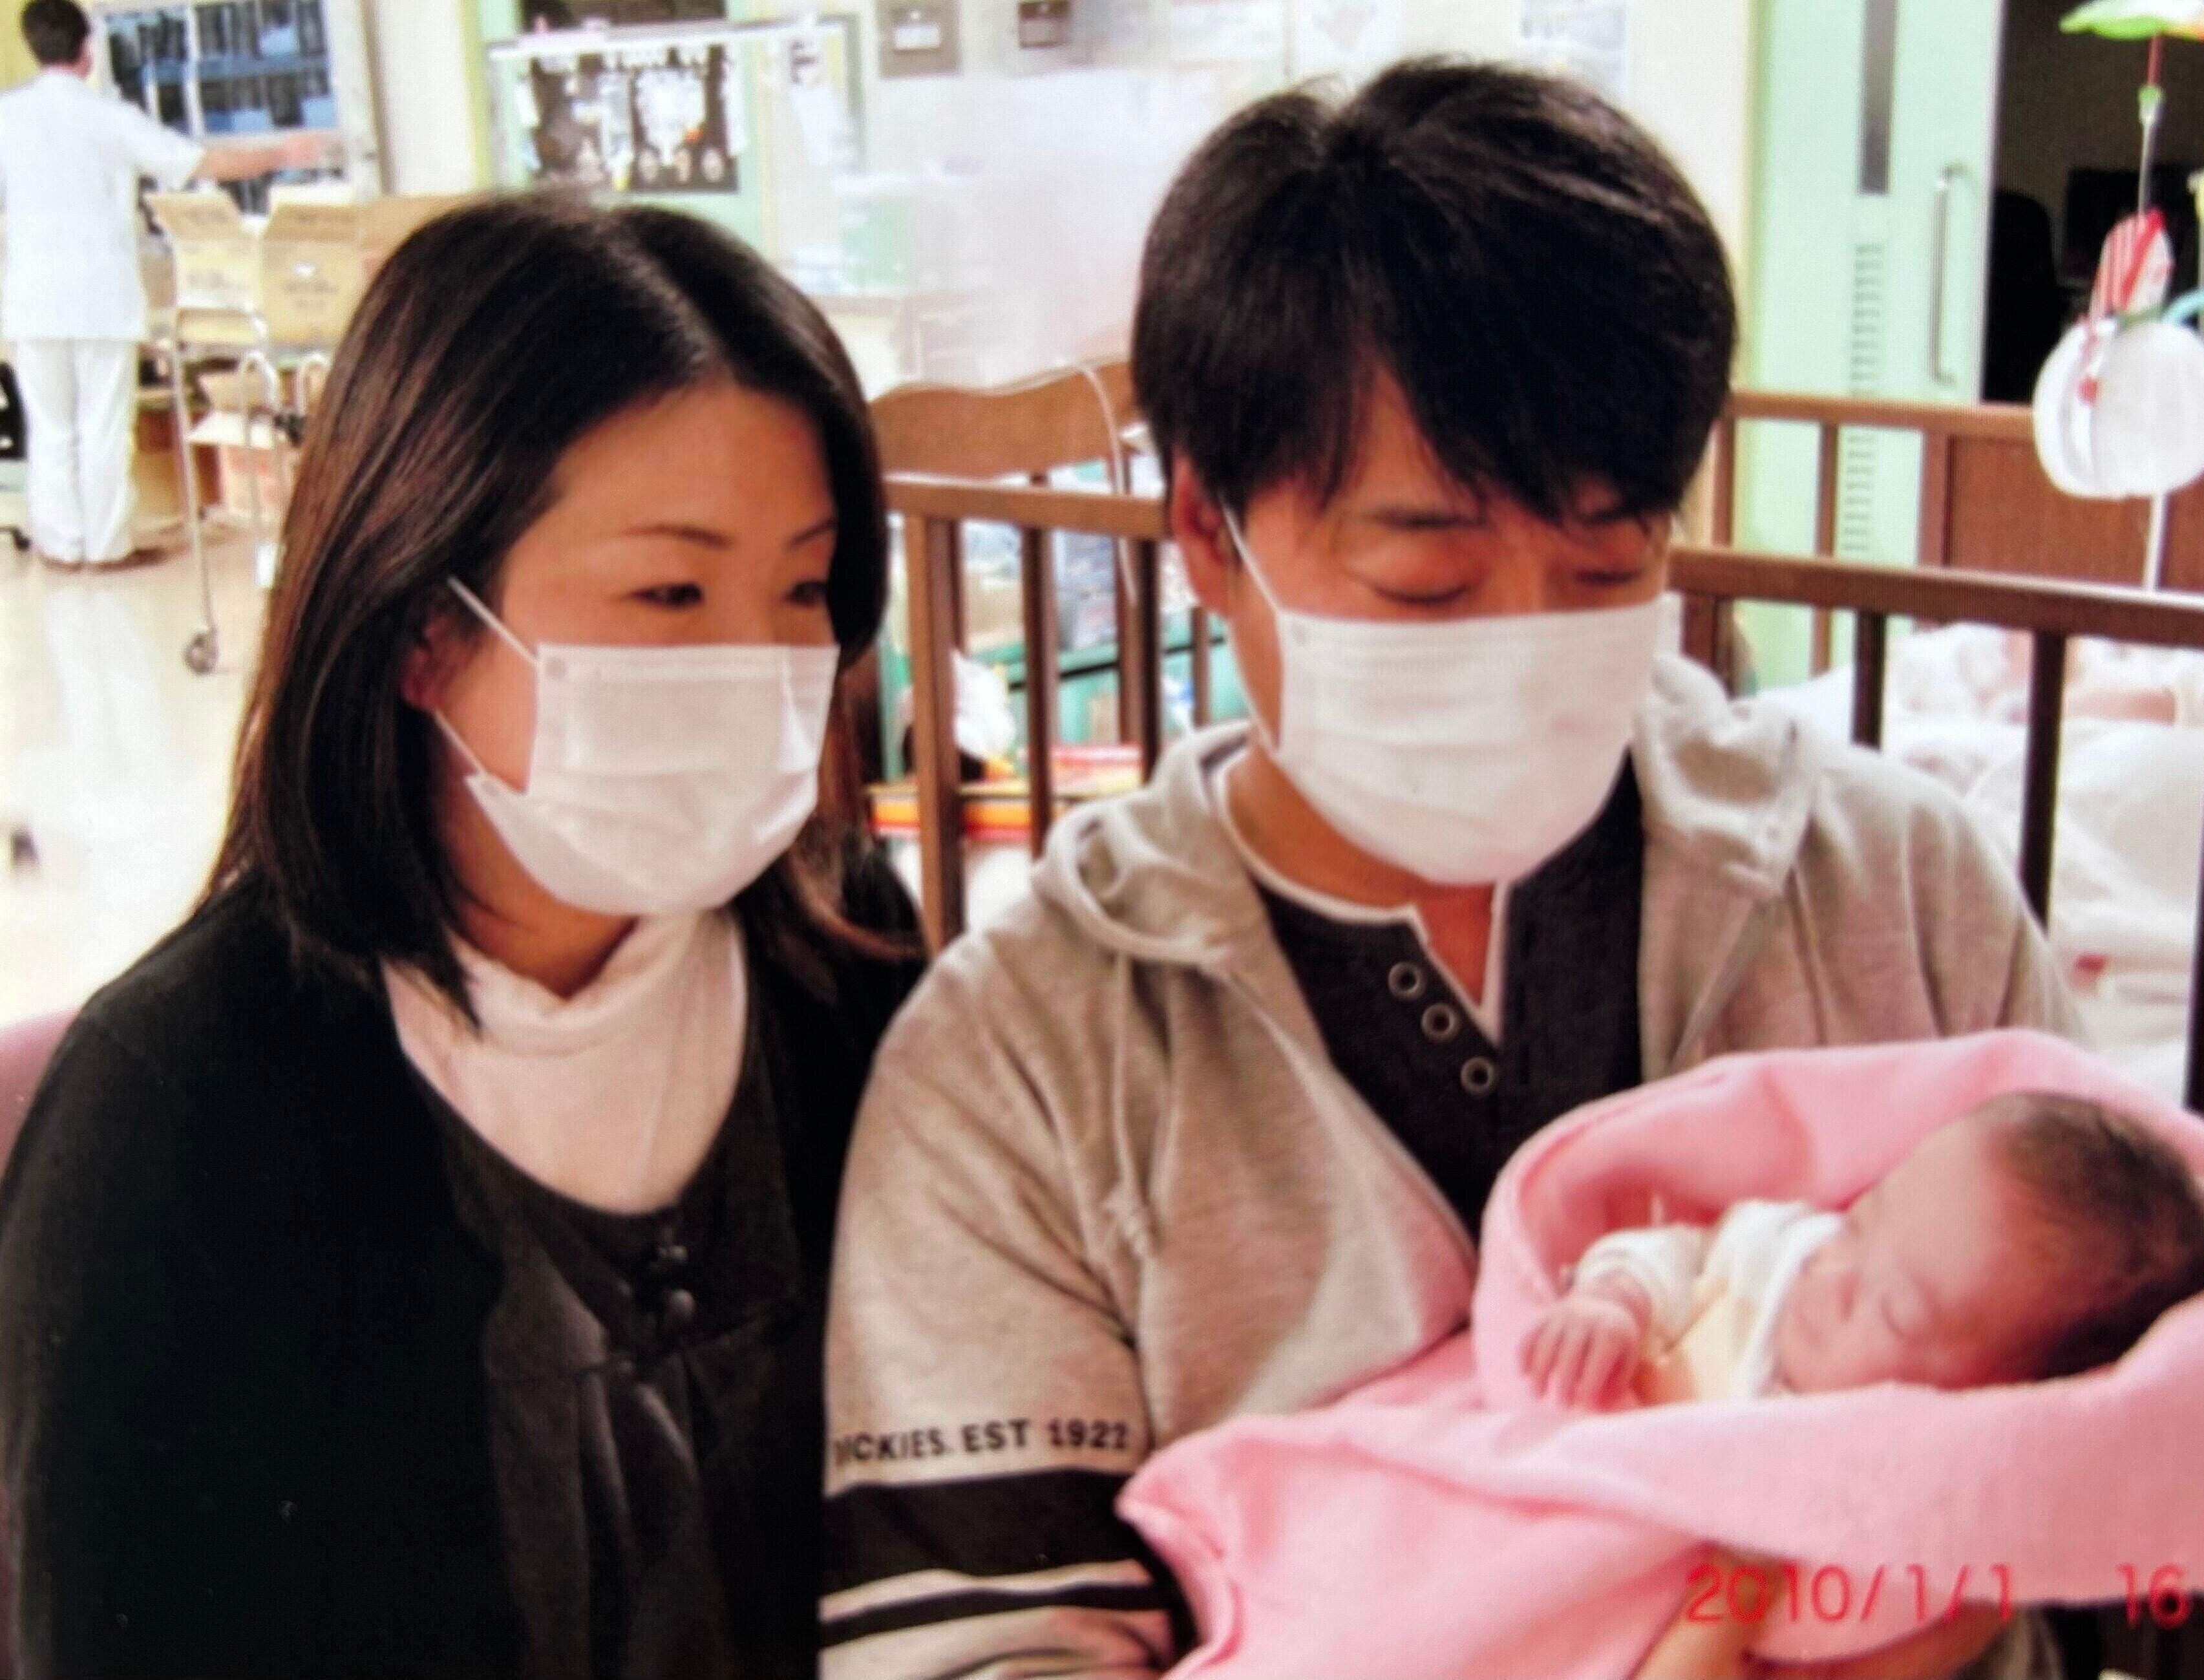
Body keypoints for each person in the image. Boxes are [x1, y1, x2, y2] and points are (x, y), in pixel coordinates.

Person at [821, 58, 2083, 1680]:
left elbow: (2121, 1434)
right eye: (1425, 581)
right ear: (1206, 533)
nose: (1526, 645)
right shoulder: (1028, 1059)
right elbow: (987, 1649)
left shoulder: (1895, 895)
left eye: (1606, 565)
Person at [0, 195, 918, 1677]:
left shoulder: (842, 958)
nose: (758, 666)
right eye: (669, 590)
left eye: (803, 588)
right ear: (425, 625)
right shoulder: (180, 1111)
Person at [1528, 1093, 2204, 1409]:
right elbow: (1685, 1253)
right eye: (1859, 1223)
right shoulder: (1785, 1255)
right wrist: (1615, 1298)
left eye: (1893, 1311)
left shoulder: (1878, 1461)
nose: (1833, 1275)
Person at [0, 0, 330, 569]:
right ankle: (105, 547)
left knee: (51, 428)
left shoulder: (8, 115)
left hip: (33, 298)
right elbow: (200, 163)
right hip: (97, 297)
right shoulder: (108, 117)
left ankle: (61, 546)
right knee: (103, 425)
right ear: (87, 49)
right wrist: (283, 152)